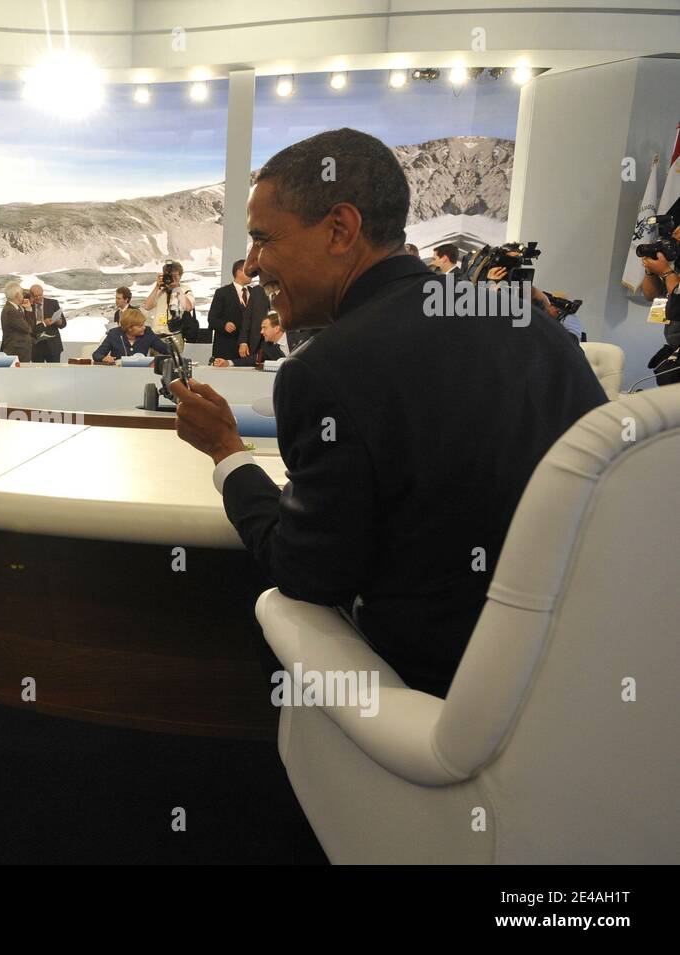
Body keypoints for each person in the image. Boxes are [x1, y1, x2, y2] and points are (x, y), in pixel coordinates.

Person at [170, 128, 606, 698]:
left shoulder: (323, 370)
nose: (250, 266)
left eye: (261, 239)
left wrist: (228, 453)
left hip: (435, 702)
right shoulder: (530, 321)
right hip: (574, 678)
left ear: (340, 229)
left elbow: (306, 572)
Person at [640, 206, 680, 386]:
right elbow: (651, 295)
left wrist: (665, 273)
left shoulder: (669, 270)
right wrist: (650, 270)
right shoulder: (674, 262)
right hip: (673, 347)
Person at [208, 258, 267, 363]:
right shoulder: (222, 293)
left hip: (250, 348)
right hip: (227, 347)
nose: (252, 274)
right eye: (249, 271)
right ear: (239, 272)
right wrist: (224, 325)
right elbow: (212, 319)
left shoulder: (256, 293)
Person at [141, 260, 199, 344]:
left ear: (180, 276)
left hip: (174, 336)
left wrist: (177, 288)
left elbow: (188, 307)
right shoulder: (160, 290)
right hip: (157, 335)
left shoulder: (184, 289)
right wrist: (157, 287)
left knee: (173, 357)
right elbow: (147, 306)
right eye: (169, 275)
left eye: (174, 275)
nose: (171, 278)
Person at [93, 307, 170, 363]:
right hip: (118, 373)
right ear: (129, 328)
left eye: (143, 324)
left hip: (141, 373)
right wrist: (104, 358)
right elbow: (97, 354)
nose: (144, 328)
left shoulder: (147, 332)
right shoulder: (114, 334)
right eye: (140, 326)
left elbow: (166, 350)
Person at [27, 284, 67, 362]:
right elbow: (29, 327)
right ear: (31, 295)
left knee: (54, 372)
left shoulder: (53, 303)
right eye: (35, 296)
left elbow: (63, 324)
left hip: (52, 345)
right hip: (36, 346)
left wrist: (58, 322)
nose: (38, 298)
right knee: (38, 373)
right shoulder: (28, 306)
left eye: (40, 295)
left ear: (43, 293)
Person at [0, 282, 35, 361]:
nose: (23, 296)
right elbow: (27, 328)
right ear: (17, 295)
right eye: (22, 294)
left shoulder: (15, 308)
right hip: (17, 352)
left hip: (19, 352)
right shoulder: (11, 310)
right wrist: (28, 310)